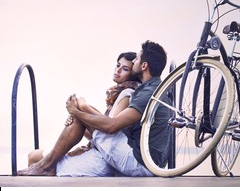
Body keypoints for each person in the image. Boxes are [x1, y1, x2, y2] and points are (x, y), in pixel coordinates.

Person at [18, 40, 170, 177]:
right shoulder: (150, 89)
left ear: (144, 66)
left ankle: (46, 167)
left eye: (136, 59)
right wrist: (81, 116)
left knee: (78, 118)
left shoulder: (146, 93)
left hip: (141, 162)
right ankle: (46, 166)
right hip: (143, 159)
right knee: (79, 118)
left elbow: (111, 126)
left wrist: (77, 112)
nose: (134, 61)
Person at [26, 51, 140, 167]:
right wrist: (79, 119)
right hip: (102, 150)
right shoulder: (118, 94)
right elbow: (98, 133)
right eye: (117, 65)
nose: (118, 70)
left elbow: (109, 127)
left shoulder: (127, 93)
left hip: (105, 156)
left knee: (34, 157)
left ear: (133, 74)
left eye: (125, 69)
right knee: (34, 156)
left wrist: (83, 108)